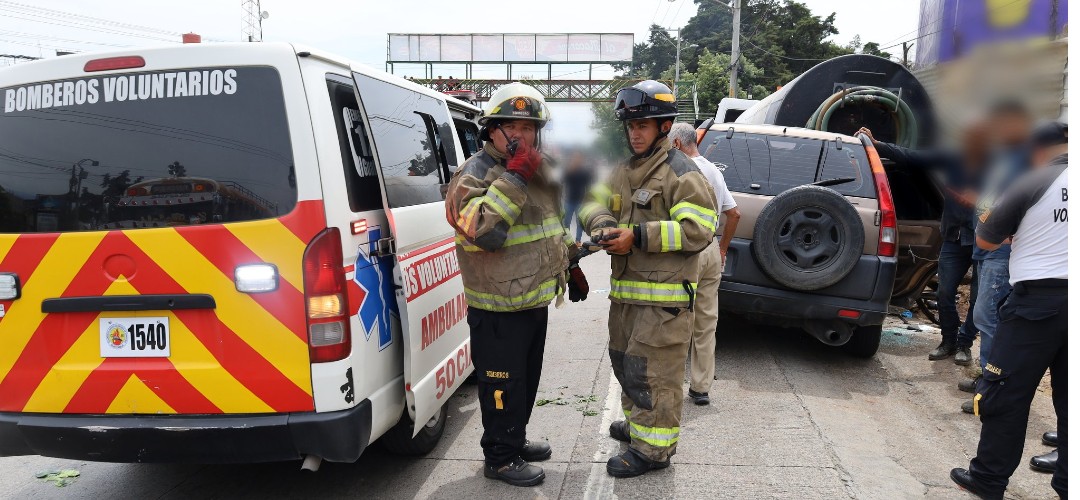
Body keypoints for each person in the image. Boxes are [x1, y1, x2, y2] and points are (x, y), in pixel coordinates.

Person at [444, 82, 585, 487]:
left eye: (529, 128)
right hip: (496, 308)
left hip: (531, 302)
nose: (522, 136)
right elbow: (485, 231)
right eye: (512, 127)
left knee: (525, 380)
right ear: (492, 130)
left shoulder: (538, 171)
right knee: (501, 385)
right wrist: (515, 176)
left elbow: (550, 227)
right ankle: (501, 458)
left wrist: (569, 264)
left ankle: (515, 439)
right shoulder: (472, 175)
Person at [577, 80, 718, 478]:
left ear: (664, 126)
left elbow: (698, 230)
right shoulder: (623, 169)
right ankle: (640, 428)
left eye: (645, 124)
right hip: (626, 297)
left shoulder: (681, 172)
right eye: (631, 125)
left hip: (664, 302)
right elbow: (590, 202)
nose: (636, 132)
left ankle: (654, 452)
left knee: (655, 376)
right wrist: (605, 225)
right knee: (627, 366)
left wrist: (637, 236)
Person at [950, 120, 1067, 499]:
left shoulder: (1034, 181)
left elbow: (986, 237)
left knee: (1006, 393)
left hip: (1038, 304)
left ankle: (987, 479)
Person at [857, 124, 985, 365]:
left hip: (985, 241)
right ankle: (948, 341)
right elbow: (912, 157)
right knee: (945, 292)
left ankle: (965, 344)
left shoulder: (997, 165)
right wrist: (879, 144)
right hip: (954, 237)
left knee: (979, 299)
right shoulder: (953, 157)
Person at [959, 101, 1034, 414]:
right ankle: (986, 380)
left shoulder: (1025, 159)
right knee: (988, 316)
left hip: (1001, 251)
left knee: (988, 317)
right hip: (988, 248)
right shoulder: (1001, 157)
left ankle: (991, 391)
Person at [669, 122, 741, 406]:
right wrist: (721, 248)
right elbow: (734, 214)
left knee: (673, 317)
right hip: (711, 250)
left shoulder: (676, 171)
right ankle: (701, 388)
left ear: (676, 145)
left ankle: (669, 385)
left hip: (686, 252)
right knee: (706, 321)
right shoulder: (714, 171)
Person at [562, 150, 597, 243]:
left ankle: (578, 241)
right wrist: (570, 170)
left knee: (580, 223)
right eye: (574, 157)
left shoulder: (585, 171)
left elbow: (590, 184)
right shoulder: (569, 170)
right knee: (566, 222)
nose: (576, 159)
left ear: (582, 159)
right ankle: (567, 241)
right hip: (569, 200)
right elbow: (562, 180)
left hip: (581, 201)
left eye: (578, 157)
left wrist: (589, 199)